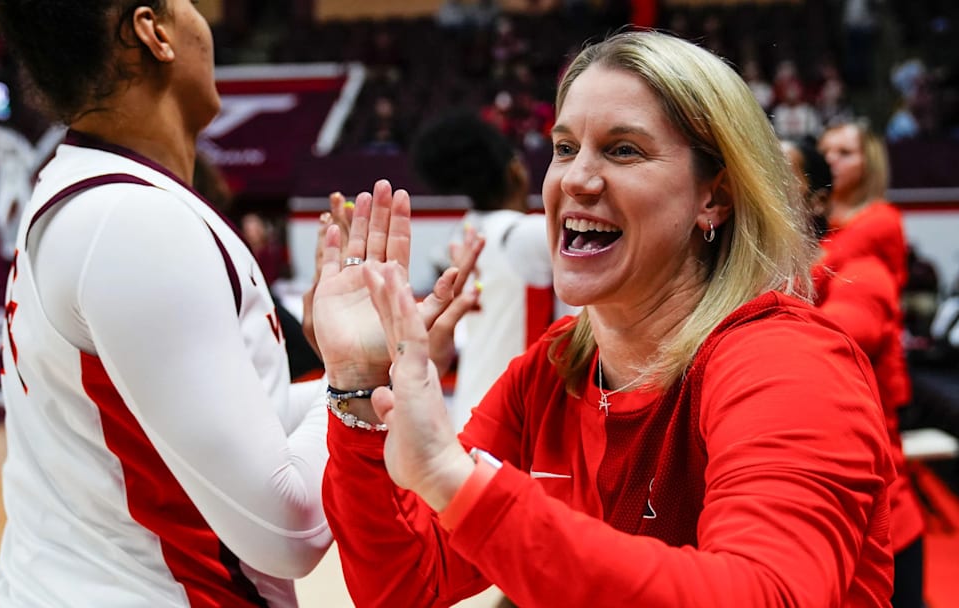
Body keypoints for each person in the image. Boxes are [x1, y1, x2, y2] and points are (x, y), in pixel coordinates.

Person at [312, 31, 894, 607]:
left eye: (623, 150)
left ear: (713, 198)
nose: (575, 180)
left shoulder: (783, 362)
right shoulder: (555, 368)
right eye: (565, 148)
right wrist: (360, 383)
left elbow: (764, 595)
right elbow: (406, 583)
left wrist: (460, 486)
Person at [0, 2, 335, 606]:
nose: (204, 23)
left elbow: (233, 422)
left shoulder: (94, 194)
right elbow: (287, 531)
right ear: (153, 31)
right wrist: (355, 383)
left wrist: (391, 372)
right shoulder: (131, 222)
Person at [786, 138, 925, 608]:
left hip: (874, 520)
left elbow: (831, 339)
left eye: (783, 174)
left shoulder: (864, 258)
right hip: (804, 525)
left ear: (816, 197)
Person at [412, 110, 559, 430]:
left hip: (470, 405)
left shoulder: (465, 231)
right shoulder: (521, 235)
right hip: (511, 417)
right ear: (516, 171)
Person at [817, 120, 907, 292]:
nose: (829, 159)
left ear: (869, 163)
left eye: (845, 153)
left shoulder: (882, 219)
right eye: (823, 152)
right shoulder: (817, 218)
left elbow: (820, 269)